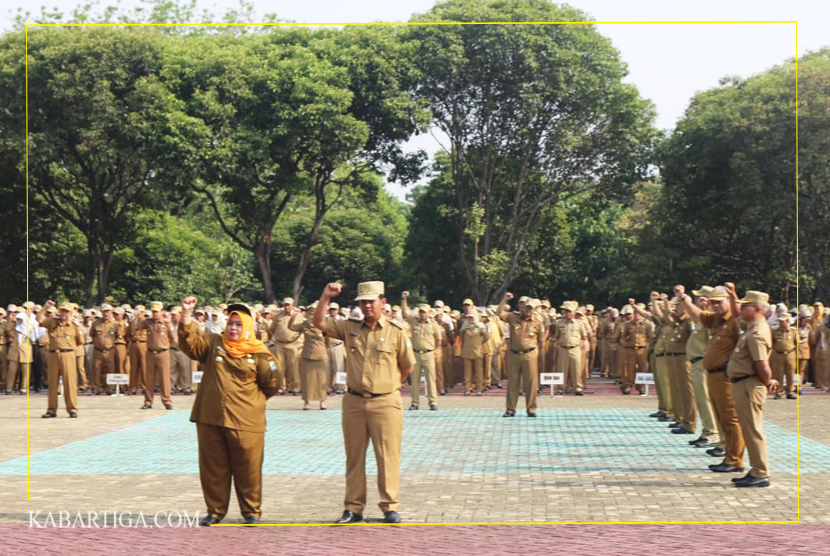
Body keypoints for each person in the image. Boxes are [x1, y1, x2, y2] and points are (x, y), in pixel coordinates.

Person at [312, 281, 415, 525]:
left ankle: (390, 506)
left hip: (386, 402)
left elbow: (407, 366)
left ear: (382, 301)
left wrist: (386, 385)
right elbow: (319, 323)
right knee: (354, 456)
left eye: (371, 301)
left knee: (387, 456)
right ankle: (353, 508)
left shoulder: (396, 330)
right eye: (362, 302)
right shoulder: (349, 327)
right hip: (354, 402)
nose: (367, 306)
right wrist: (325, 296)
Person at [178, 296, 281, 526]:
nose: (233, 328)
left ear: (247, 327)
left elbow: (272, 383)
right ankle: (215, 511)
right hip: (211, 417)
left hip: (246, 421)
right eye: (230, 323)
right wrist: (186, 314)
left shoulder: (260, 354)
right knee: (213, 467)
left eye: (238, 324)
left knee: (249, 468)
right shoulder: (214, 343)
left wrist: (251, 403)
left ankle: (251, 511)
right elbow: (190, 344)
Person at [677, 285, 746, 473]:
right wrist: (683, 298)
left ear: (728, 301)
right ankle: (728, 455)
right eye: (713, 302)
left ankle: (735, 460)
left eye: (719, 302)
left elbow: (739, 316)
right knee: (721, 417)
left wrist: (734, 297)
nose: (715, 306)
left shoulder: (734, 321)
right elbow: (698, 315)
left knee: (731, 419)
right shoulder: (716, 320)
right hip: (714, 374)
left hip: (725, 375)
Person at [723, 286, 777, 487]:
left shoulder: (757, 333)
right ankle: (756, 469)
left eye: (746, 306)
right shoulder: (752, 327)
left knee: (753, 430)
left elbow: (762, 365)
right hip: (743, 383)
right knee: (748, 428)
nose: (741, 309)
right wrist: (733, 295)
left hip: (750, 384)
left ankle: (761, 472)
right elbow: (737, 314)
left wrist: (767, 381)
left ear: (756, 309)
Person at [496, 293, 544, 417]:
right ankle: (510, 410)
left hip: (530, 354)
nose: (528, 310)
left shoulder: (538, 322)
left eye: (531, 308)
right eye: (526, 307)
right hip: (513, 354)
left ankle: (531, 409)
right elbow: (499, 313)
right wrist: (504, 299)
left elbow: (541, 341)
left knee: (531, 383)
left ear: (534, 310)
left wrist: (537, 355)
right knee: (513, 383)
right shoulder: (513, 317)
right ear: (521, 307)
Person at [37, 301, 85, 417]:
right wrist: (45, 306)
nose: (64, 313)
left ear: (71, 313)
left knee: (69, 383)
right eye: (62, 310)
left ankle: (72, 409)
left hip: (67, 354)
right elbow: (38, 319)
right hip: (53, 354)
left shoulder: (74, 325)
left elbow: (81, 341)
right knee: (52, 383)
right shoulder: (52, 321)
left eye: (67, 311)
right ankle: (51, 410)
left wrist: (78, 326)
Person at [401, 292, 441, 409]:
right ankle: (415, 403)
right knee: (415, 380)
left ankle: (433, 402)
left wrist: (433, 351)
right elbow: (404, 313)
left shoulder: (433, 325)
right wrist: (404, 299)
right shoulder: (414, 322)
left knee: (431, 380)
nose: (422, 314)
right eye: (421, 312)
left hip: (428, 354)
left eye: (424, 312)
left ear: (429, 313)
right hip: (416, 354)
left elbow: (438, 340)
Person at [290, 301, 329, 410]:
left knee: (321, 380)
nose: (312, 316)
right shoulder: (305, 324)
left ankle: (322, 401)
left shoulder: (324, 324)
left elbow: (329, 340)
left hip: (321, 355)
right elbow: (291, 327)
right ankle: (306, 402)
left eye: (315, 313)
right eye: (311, 313)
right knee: (307, 380)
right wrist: (294, 315)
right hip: (308, 354)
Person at [137, 301, 175, 410]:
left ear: (161, 312)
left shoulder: (166, 323)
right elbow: (137, 327)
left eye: (157, 312)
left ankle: (167, 401)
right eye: (153, 312)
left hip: (163, 353)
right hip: (150, 353)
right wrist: (139, 315)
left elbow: (173, 338)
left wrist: (165, 346)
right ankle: (148, 402)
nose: (155, 314)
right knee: (149, 379)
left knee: (164, 378)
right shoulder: (148, 323)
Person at [554, 301, 587, 395]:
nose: (568, 314)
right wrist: (557, 345)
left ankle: (578, 388)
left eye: (570, 312)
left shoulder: (579, 323)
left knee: (576, 369)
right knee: (562, 369)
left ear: (574, 313)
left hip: (575, 348)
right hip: (563, 348)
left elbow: (584, 337)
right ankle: (561, 388)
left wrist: (582, 346)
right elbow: (556, 336)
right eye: (566, 311)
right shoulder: (560, 323)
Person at [459, 308, 489, 396]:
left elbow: (486, 337)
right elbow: (462, 337)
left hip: (477, 351)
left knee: (479, 371)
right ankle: (467, 389)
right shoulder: (465, 326)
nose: (470, 319)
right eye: (468, 317)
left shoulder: (480, 326)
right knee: (467, 372)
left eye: (472, 317)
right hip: (467, 351)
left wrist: (480, 342)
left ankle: (479, 389)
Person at [771, 304, 798, 399]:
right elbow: (771, 342)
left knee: (790, 374)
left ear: (787, 321)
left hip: (790, 354)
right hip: (778, 355)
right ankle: (778, 392)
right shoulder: (774, 331)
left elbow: (797, 343)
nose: (781, 323)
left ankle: (790, 392)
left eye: (783, 321)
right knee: (778, 374)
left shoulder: (793, 331)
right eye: (780, 321)